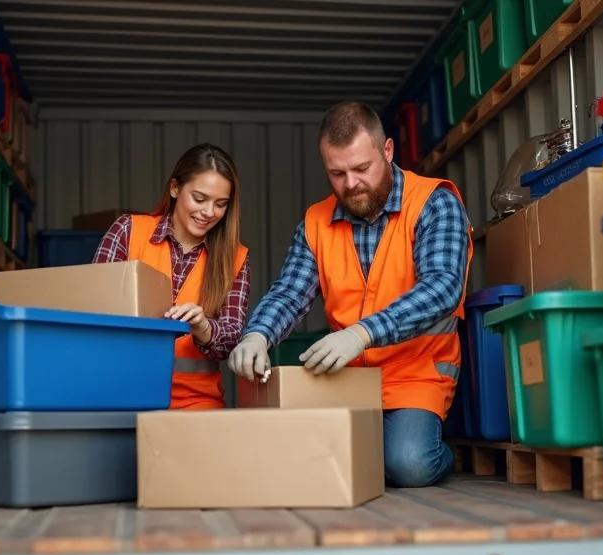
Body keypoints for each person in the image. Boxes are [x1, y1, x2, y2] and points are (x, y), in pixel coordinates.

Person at [229, 101, 472, 488]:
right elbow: (291, 292)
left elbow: (442, 287)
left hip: (415, 372)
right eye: (337, 173)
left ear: (387, 151)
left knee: (408, 464)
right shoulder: (315, 221)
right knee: (298, 457)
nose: (351, 184)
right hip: (345, 378)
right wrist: (257, 334)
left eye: (362, 169)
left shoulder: (434, 202)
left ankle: (444, 448)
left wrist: (360, 334)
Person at [94, 143, 250, 410]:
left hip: (196, 402)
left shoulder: (235, 257)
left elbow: (231, 338)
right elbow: (93, 309)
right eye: (199, 198)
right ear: (175, 188)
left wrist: (204, 328)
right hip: (122, 392)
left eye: (220, 204)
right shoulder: (129, 232)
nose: (209, 212)